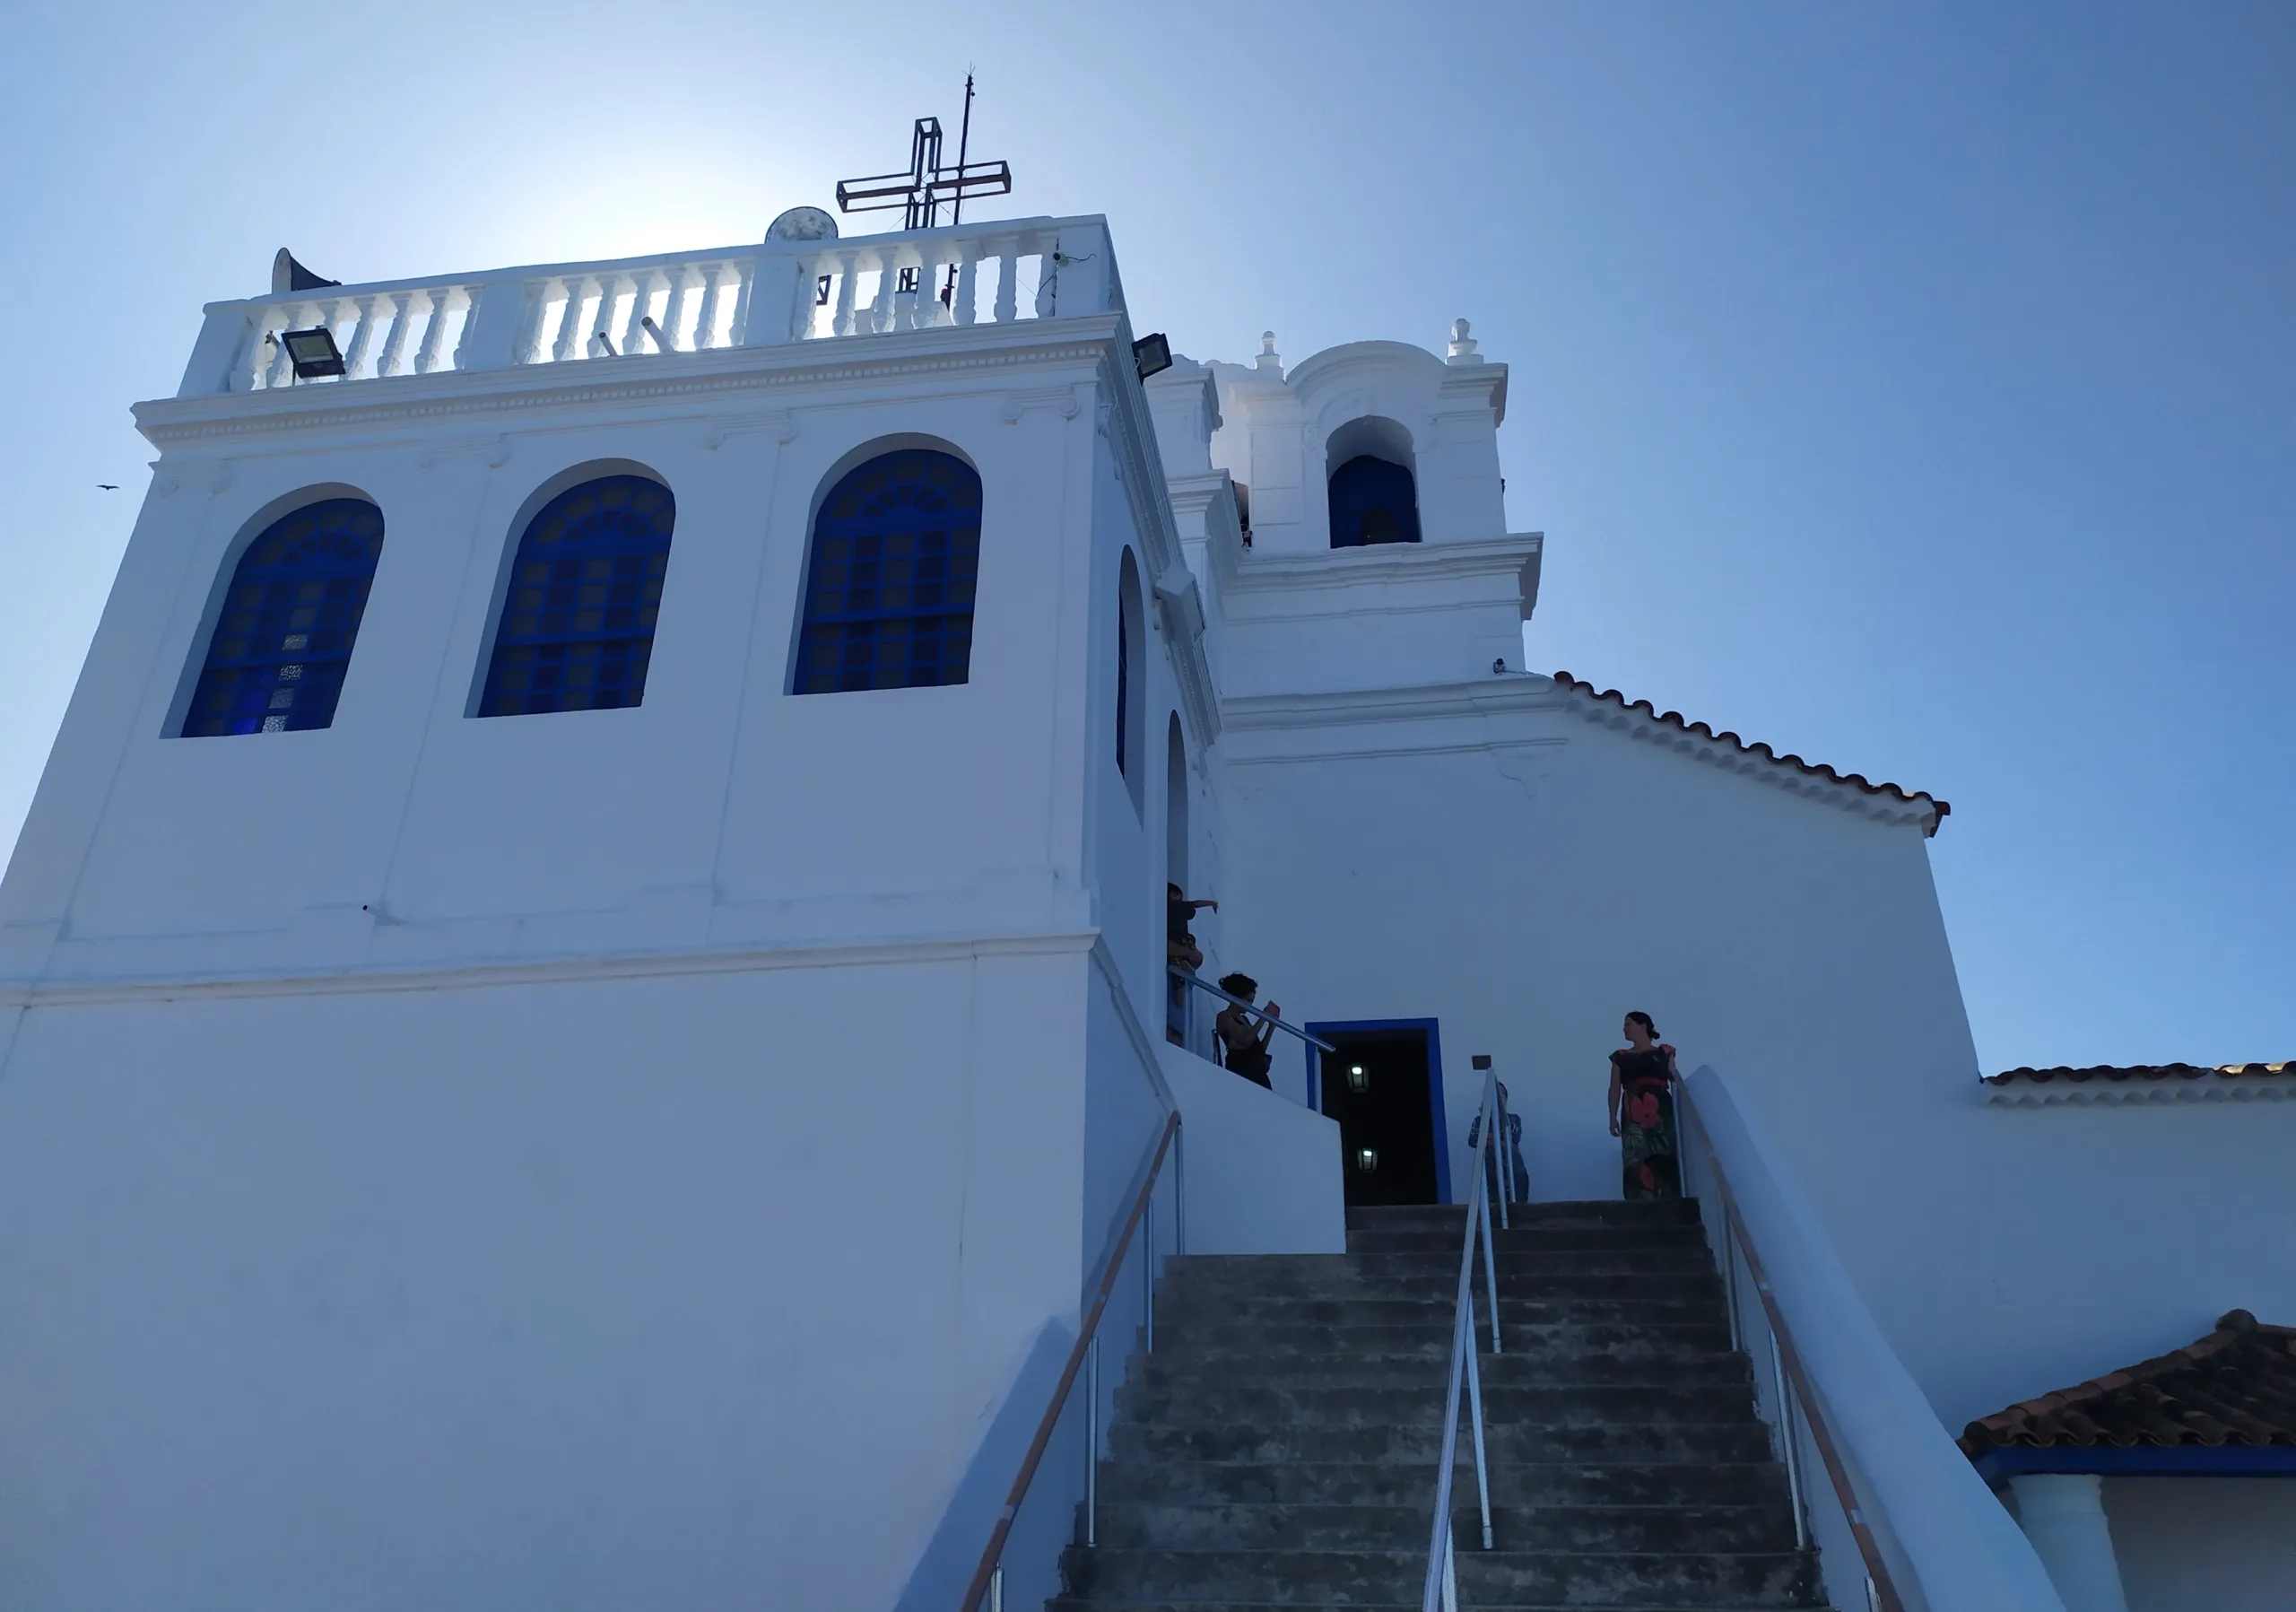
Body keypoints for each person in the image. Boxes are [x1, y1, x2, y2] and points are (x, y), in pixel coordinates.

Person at [1607, 1011, 1681, 1200]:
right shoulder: (1620, 1057)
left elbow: (1674, 1077)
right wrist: (1612, 1117)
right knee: (1635, 1156)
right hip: (1633, 1111)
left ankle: (1667, 1200)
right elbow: (1614, 1087)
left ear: (1643, 1026)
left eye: (1628, 1024)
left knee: (1663, 1153)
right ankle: (1637, 1202)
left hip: (1661, 1112)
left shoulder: (1664, 1051)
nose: (1624, 1028)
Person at [1165, 884, 1216, 1043]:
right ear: (1172, 895)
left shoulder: (1173, 909)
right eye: (1178, 895)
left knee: (1180, 974)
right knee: (1178, 973)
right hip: (1180, 945)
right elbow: (1195, 904)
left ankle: (1181, 984)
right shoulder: (1175, 908)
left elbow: (1194, 904)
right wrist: (1212, 903)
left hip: (1181, 943)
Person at [1466, 1081, 1530, 1204]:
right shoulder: (1479, 1121)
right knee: (1493, 1207)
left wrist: (1487, 1137)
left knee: (1518, 1203)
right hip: (1490, 1171)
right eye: (1494, 1093)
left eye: (1501, 1093)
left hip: (1513, 1168)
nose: (1498, 1096)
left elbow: (1513, 1137)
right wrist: (1499, 1140)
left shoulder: (1513, 1119)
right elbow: (1473, 1140)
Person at [1213, 972, 1281, 1088]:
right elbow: (1244, 1040)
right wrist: (1264, 1016)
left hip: (1258, 1074)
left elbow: (1259, 1049)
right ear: (1236, 997)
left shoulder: (1244, 1019)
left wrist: (1271, 1028)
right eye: (1248, 1000)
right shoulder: (1224, 1017)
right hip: (1243, 1074)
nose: (1250, 1005)